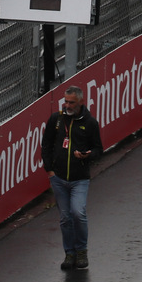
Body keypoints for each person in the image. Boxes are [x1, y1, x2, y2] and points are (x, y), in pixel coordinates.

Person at [41, 86, 103, 271]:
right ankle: (69, 253)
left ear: (81, 102)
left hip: (79, 180)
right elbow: (46, 144)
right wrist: (49, 170)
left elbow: (99, 149)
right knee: (65, 218)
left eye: (71, 102)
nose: (67, 105)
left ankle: (81, 250)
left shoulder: (90, 123)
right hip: (58, 179)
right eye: (65, 101)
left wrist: (87, 155)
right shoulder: (57, 119)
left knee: (78, 213)